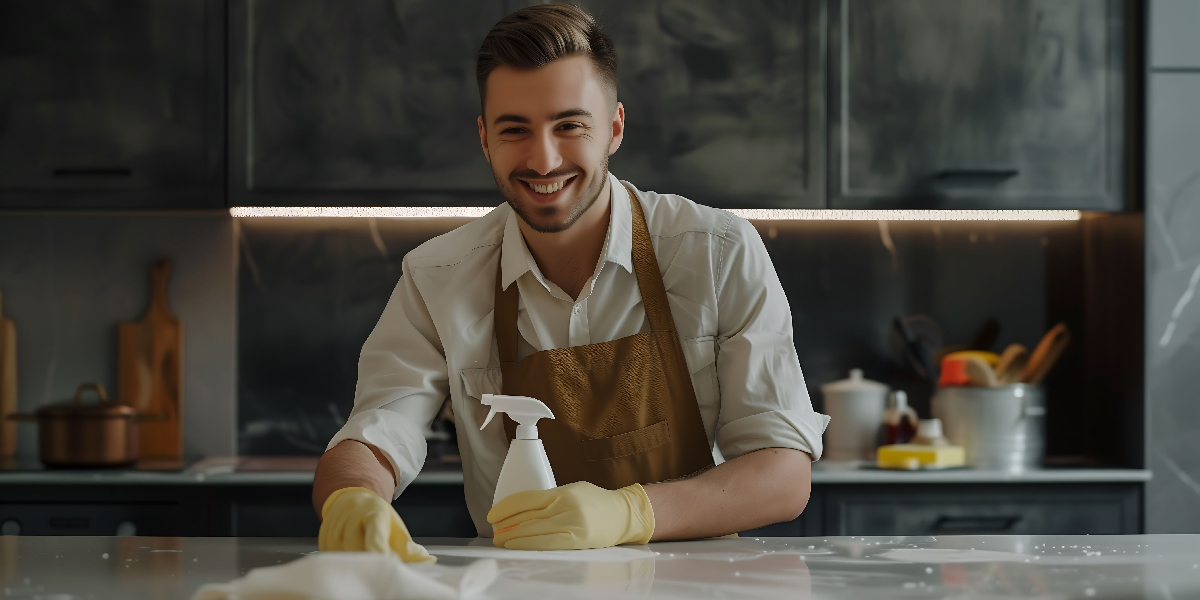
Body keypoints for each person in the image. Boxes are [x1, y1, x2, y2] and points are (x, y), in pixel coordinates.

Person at [312, 3, 829, 559]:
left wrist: (630, 512)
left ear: (614, 128)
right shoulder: (438, 277)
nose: (543, 158)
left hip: (693, 586)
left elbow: (782, 474)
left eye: (570, 125)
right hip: (518, 589)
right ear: (485, 139)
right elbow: (378, 430)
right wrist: (352, 498)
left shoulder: (717, 253)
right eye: (515, 129)